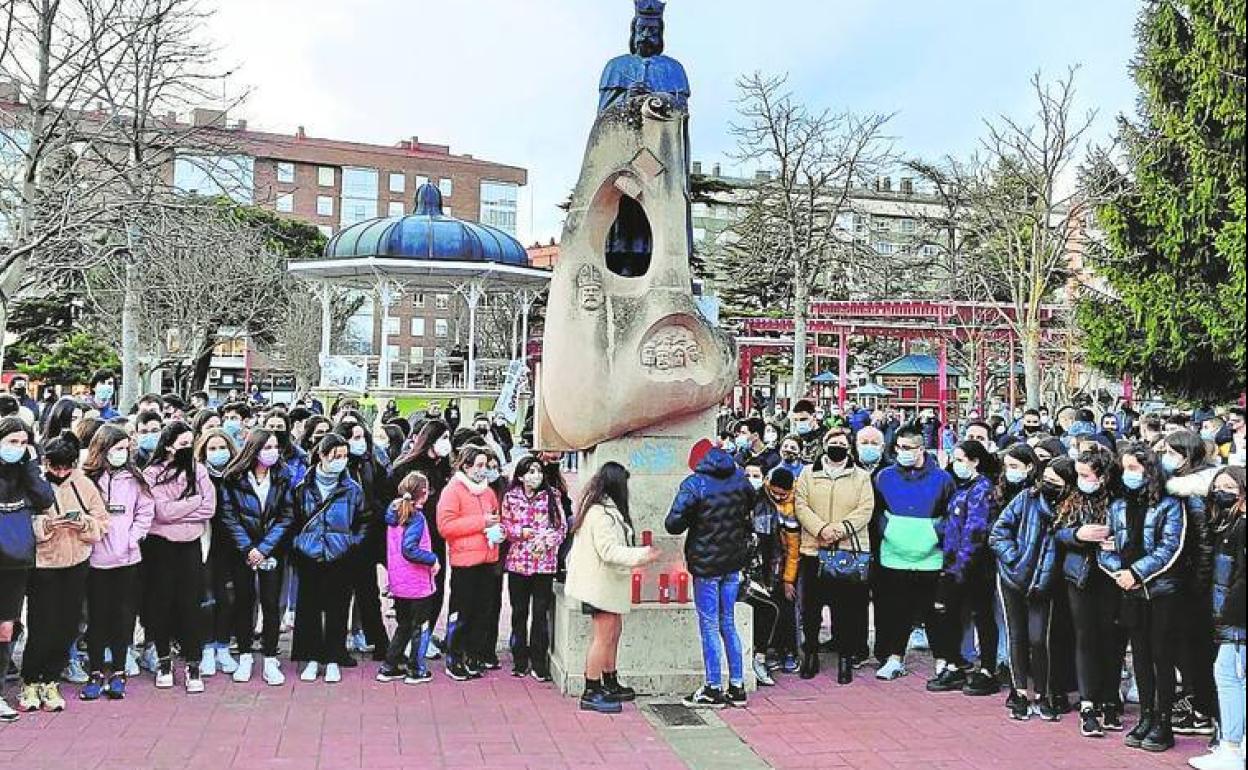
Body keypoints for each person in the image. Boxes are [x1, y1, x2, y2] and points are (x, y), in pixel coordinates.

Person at [1101, 443, 1185, 750]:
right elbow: (1107, 545)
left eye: (1134, 468)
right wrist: (1118, 573)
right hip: (1130, 591)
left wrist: (1136, 573)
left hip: (1160, 590)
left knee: (1161, 656)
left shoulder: (1169, 504)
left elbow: (1169, 548)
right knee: (1140, 656)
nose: (1128, 475)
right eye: (1125, 469)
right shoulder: (1119, 505)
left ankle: (1164, 721)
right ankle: (1146, 715)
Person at [16, 432, 107, 713]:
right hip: (43, 566)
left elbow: (102, 522)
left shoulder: (84, 484)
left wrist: (84, 525)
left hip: (76, 563)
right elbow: (21, 523)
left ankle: (52, 679)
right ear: (46, 462)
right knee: (41, 624)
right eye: (56, 467)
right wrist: (44, 527)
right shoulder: (33, 483)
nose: (61, 472)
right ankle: (30, 680)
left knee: (67, 625)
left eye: (67, 467)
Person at [564, 462, 659, 714]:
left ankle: (609, 679)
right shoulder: (600, 514)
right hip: (598, 585)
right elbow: (608, 551)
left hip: (607, 584)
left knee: (613, 632)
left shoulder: (604, 510)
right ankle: (591, 688)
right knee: (603, 636)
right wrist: (641, 555)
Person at [666, 440, 755, 708]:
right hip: (733, 560)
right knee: (727, 621)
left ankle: (713, 687)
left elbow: (673, 524)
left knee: (709, 625)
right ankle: (737, 685)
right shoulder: (740, 479)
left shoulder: (695, 484)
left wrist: (696, 516)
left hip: (706, 564)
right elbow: (751, 503)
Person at [872, 424, 955, 681]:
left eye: (908, 448)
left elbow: (950, 515)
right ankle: (895, 658)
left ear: (921, 449)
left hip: (930, 556)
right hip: (893, 554)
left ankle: (942, 660)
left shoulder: (943, 479)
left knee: (935, 613)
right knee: (897, 610)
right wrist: (889, 530)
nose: (902, 452)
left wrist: (933, 534)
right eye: (898, 448)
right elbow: (875, 512)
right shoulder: (884, 477)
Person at [793, 428, 874, 684]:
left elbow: (866, 509)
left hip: (847, 550)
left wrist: (840, 530)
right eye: (832, 442)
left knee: (845, 608)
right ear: (824, 445)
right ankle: (811, 652)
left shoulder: (860, 476)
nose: (836, 446)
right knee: (811, 607)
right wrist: (821, 529)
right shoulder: (808, 473)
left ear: (849, 448)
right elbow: (800, 505)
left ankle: (845, 657)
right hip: (813, 549)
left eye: (841, 443)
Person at [991, 454, 1069, 722]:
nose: (1047, 484)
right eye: (1045, 478)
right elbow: (998, 531)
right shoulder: (1026, 498)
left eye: (1054, 481)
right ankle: (1020, 692)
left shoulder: (1069, 509)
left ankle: (1045, 694)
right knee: (1016, 636)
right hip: (1013, 576)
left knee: (1039, 639)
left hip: (1045, 583)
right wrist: (1014, 558)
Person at [1053, 445, 1124, 735]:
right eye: (1079, 473)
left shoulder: (1119, 500)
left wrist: (1119, 541)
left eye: (1088, 474)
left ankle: (1110, 698)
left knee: (1112, 637)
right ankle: (1088, 702)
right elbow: (1057, 530)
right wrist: (1077, 535)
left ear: (1104, 475)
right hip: (1079, 574)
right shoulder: (1071, 497)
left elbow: (1137, 531)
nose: (1082, 479)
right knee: (1085, 637)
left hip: (1113, 575)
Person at [143, 421, 216, 693]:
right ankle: (163, 659)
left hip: (190, 545)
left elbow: (209, 507)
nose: (186, 449)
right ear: (169, 444)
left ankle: (193, 662)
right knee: (161, 601)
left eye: (190, 443)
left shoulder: (199, 470)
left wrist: (182, 508)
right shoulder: (151, 473)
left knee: (191, 604)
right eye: (181, 444)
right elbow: (161, 512)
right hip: (160, 546)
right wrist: (192, 502)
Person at [218, 429, 294, 686]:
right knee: (244, 601)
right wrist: (249, 548)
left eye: (275, 446)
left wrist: (264, 548)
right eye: (267, 446)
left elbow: (287, 516)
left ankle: (271, 657)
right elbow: (228, 515)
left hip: (272, 551)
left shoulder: (284, 476)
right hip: (242, 551)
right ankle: (246, 655)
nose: (272, 451)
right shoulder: (234, 477)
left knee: (271, 604)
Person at [927, 440, 1001, 697]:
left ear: (974, 461)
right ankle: (954, 663)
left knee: (982, 615)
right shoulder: (961, 487)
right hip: (952, 561)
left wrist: (961, 565)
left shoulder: (982, 489)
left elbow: (975, 530)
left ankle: (988, 669)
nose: (955, 464)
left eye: (960, 459)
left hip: (974, 565)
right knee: (949, 614)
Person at [291, 434, 366, 684]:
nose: (341, 461)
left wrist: (352, 543)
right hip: (309, 554)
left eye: (345, 456)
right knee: (309, 607)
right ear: (322, 455)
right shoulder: (302, 486)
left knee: (337, 608)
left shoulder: (352, 488)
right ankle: (312, 658)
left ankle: (334, 657)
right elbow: (293, 519)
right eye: (336, 456)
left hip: (340, 555)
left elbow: (364, 519)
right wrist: (298, 544)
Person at [1161, 430, 1219, 738]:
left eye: (1171, 452)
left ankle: (1201, 710)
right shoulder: (1187, 486)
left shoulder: (1193, 491)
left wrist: (1197, 585)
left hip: (1194, 584)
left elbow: (1203, 544)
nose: (1165, 457)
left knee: (1195, 648)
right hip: (1191, 580)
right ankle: (1198, 703)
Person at [1187, 467, 1245, 770]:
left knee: (1229, 677)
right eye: (1218, 486)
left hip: (1237, 619)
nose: (1222, 492)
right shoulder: (1228, 522)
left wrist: (1228, 615)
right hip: (1230, 614)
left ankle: (1232, 747)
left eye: (1230, 487)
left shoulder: (1241, 526)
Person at [0, 417, 57, 721]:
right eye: (11, 442)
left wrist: (31, 465)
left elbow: (46, 499)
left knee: (6, 628)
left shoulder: (26, 472)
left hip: (16, 562)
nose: (17, 448)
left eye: (23, 443)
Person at [388, 421, 454, 659]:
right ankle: (409, 637)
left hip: (436, 536)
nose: (447, 442)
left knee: (434, 588)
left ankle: (425, 634)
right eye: (443, 437)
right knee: (412, 591)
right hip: (411, 537)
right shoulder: (406, 467)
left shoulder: (444, 468)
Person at [436, 445, 502, 681]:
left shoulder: (488, 493)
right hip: (464, 561)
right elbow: (446, 526)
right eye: (480, 466)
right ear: (466, 466)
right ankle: (454, 657)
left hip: (487, 558)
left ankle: (473, 655)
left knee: (481, 612)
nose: (484, 471)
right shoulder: (453, 490)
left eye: (487, 465)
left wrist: (497, 530)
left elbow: (494, 517)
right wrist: (481, 523)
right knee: (461, 612)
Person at [501, 457, 567, 681]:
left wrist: (547, 541)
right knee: (519, 612)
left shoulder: (552, 496)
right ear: (520, 476)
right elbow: (505, 527)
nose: (535, 476)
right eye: (530, 472)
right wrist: (522, 533)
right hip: (518, 563)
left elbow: (561, 528)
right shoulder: (510, 497)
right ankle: (520, 659)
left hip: (544, 564)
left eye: (538, 471)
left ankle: (539, 662)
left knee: (540, 614)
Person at [376, 471, 438, 685]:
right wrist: (432, 559)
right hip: (418, 582)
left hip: (399, 581)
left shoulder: (394, 512)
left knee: (403, 625)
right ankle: (416, 669)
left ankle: (389, 665)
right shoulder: (417, 517)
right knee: (419, 626)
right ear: (423, 493)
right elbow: (409, 549)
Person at [337, 421, 389, 661]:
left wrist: (378, 513)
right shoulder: (337, 466)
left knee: (369, 593)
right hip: (341, 538)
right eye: (353, 437)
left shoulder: (371, 464)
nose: (358, 441)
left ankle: (378, 641)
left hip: (367, 536)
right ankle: (338, 646)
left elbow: (380, 494)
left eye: (361, 436)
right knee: (341, 595)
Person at [195, 427, 239, 677]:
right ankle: (207, 648)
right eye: (212, 448)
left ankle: (224, 645)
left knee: (228, 597)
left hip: (232, 545)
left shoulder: (237, 477)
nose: (218, 453)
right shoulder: (197, 476)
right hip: (205, 544)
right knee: (207, 599)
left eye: (222, 448)